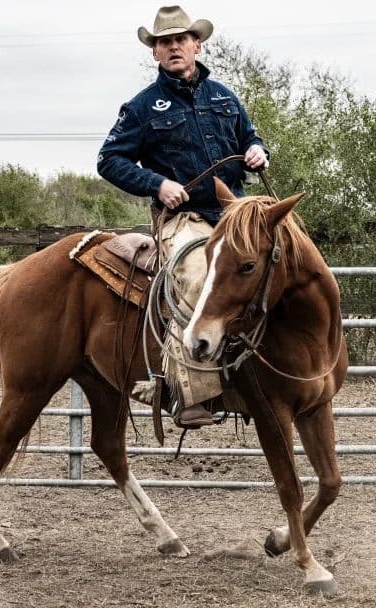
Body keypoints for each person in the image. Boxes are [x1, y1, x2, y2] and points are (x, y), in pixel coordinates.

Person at [97, 5, 269, 427]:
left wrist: (257, 151)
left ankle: (268, 379)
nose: (174, 47)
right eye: (165, 42)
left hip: (233, 214)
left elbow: (250, 137)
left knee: (278, 269)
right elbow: (109, 160)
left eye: (181, 40)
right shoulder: (141, 108)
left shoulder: (225, 97)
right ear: (155, 53)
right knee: (197, 276)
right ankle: (194, 394)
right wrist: (157, 184)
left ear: (197, 46)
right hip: (183, 219)